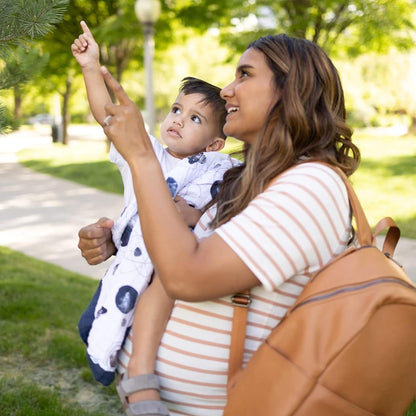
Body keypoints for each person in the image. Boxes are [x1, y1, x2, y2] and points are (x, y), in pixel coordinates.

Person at [78, 33, 360, 416]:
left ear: (291, 90)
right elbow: (176, 255)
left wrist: (142, 156)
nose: (227, 90)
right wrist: (124, 237)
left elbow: (185, 275)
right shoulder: (248, 180)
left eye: (244, 75)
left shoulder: (311, 185)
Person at [71, 20, 237, 401]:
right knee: (92, 324)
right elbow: (108, 115)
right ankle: (106, 353)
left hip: (169, 280)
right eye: (177, 109)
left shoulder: (218, 172)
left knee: (150, 338)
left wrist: (194, 217)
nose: (177, 118)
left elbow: (217, 213)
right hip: (127, 269)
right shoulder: (146, 153)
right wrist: (90, 67)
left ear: (214, 144)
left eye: (194, 118)